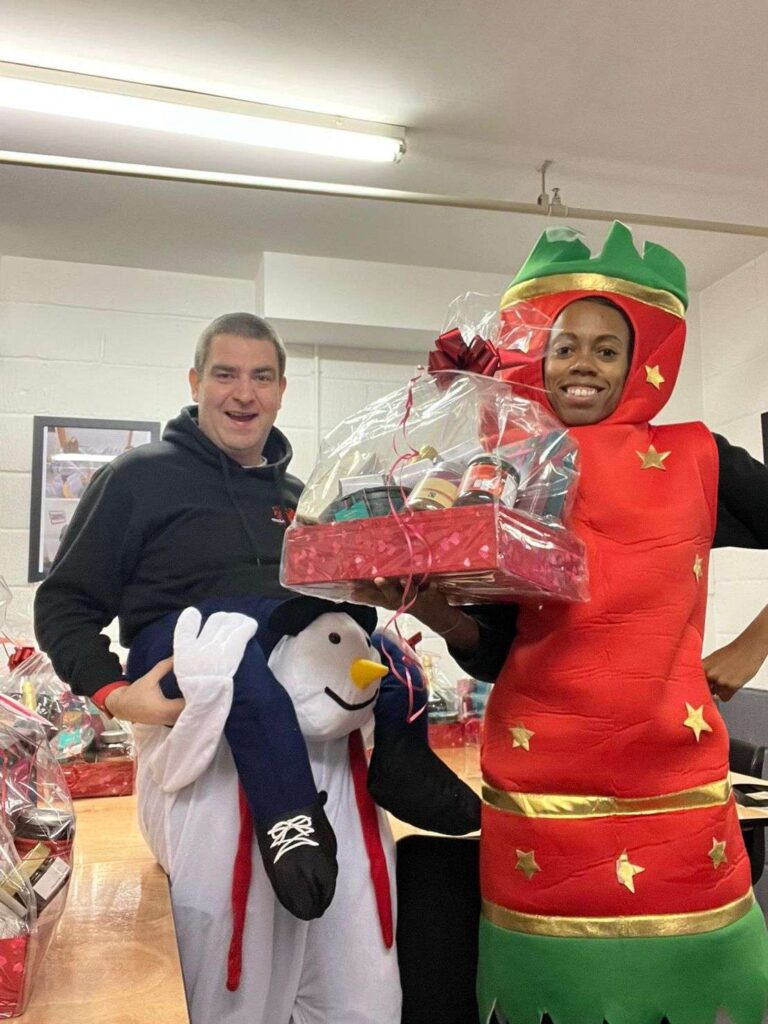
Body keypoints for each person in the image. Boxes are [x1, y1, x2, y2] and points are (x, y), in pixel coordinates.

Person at [355, 222, 768, 1024]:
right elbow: (496, 651)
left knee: (699, 992)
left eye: (607, 349)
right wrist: (429, 604)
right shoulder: (507, 469)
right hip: (539, 787)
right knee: (546, 997)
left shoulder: (698, 458)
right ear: (535, 358)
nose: (583, 363)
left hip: (675, 788)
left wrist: (751, 648)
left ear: (639, 363)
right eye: (565, 344)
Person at [34, 313, 344, 922]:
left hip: (316, 756)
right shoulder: (137, 477)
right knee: (220, 967)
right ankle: (291, 819)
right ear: (195, 381)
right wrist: (116, 696)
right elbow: (63, 604)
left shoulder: (300, 500)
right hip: (201, 751)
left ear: (282, 391)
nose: (243, 393)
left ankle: (404, 773)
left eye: (262, 377)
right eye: (225, 374)